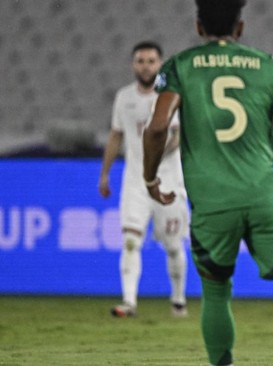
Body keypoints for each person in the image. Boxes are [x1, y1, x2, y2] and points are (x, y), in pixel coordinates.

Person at [142, 1, 273, 365]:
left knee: (215, 292)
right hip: (264, 197)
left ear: (198, 27)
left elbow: (159, 127)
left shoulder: (179, 67)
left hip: (212, 204)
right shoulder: (271, 66)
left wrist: (150, 177)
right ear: (240, 28)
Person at [98, 41, 188, 318]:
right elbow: (116, 135)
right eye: (140, 60)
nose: (145, 65)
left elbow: (176, 138)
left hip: (169, 183)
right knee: (130, 241)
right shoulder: (124, 97)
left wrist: (154, 149)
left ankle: (178, 300)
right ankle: (129, 301)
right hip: (135, 182)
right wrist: (105, 173)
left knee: (173, 246)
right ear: (133, 64)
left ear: (160, 64)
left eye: (151, 60)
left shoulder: (170, 97)